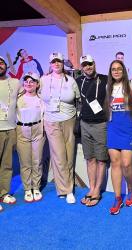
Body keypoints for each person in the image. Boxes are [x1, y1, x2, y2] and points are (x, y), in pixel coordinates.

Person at [40, 52, 80, 204]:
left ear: (63, 63)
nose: (56, 64)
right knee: (59, 155)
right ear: (50, 64)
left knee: (69, 155)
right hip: (51, 121)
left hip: (69, 120)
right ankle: (67, 189)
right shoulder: (43, 80)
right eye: (53, 62)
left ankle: (64, 187)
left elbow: (78, 100)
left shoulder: (70, 80)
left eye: (59, 61)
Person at [105, 60, 132, 215]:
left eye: (119, 69)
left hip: (128, 128)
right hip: (113, 127)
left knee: (126, 164)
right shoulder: (108, 87)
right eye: (113, 69)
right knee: (115, 163)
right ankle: (117, 198)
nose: (116, 71)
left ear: (124, 71)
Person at [76, 54, 108, 207]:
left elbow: (123, 84)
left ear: (94, 64)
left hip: (100, 124)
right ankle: (91, 188)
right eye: (84, 65)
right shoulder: (78, 81)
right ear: (81, 67)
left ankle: (97, 191)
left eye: (89, 64)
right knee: (90, 159)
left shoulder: (105, 79)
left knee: (101, 159)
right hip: (84, 123)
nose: (87, 67)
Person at [16, 72, 45, 202]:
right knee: (25, 161)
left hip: (37, 130)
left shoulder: (41, 99)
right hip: (22, 130)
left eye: (32, 81)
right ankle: (28, 188)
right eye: (26, 81)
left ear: (37, 84)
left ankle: (36, 187)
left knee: (37, 160)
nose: (28, 83)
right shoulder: (18, 99)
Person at [0, 56, 21, 211]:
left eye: (1, 63)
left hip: (11, 128)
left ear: (6, 66)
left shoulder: (15, 82)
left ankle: (4, 193)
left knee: (7, 164)